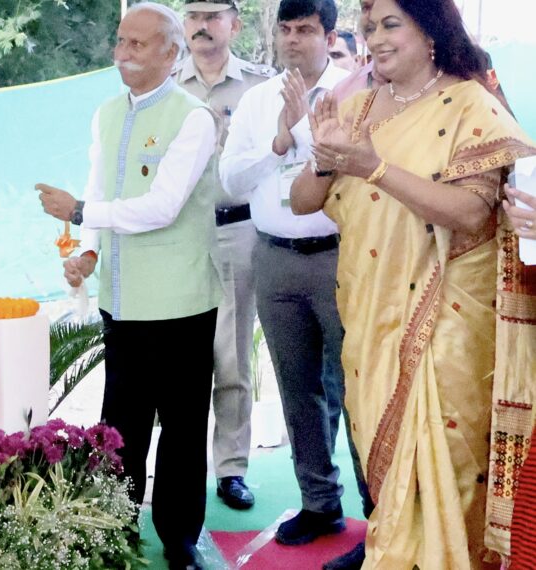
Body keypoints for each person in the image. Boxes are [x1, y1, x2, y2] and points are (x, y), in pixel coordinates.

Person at [289, 0, 536, 565]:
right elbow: (303, 201)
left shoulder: (472, 104)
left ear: (431, 32)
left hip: (446, 322)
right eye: (369, 27)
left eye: (390, 24)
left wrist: (374, 167)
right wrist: (327, 157)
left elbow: (473, 213)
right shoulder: (357, 106)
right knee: (390, 479)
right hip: (370, 316)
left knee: (443, 469)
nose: (374, 38)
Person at [36, 3, 220, 567]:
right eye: (120, 41)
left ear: (172, 53)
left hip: (182, 300)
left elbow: (162, 207)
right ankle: (114, 523)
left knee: (184, 426)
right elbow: (98, 185)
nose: (122, 53)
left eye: (138, 44)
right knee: (122, 425)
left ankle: (180, 536)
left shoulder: (195, 117)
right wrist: (87, 252)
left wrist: (81, 210)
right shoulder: (107, 113)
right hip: (123, 300)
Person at [218, 0, 356, 548]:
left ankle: (380, 509)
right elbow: (230, 179)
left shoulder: (358, 92)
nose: (293, 40)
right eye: (286, 29)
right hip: (273, 256)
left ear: (329, 34)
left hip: (342, 257)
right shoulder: (256, 100)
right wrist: (278, 139)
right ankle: (320, 503)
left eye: (306, 30)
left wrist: (306, 135)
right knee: (297, 389)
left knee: (356, 387)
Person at [175, 0, 273, 512]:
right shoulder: (165, 83)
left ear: (234, 25)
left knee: (232, 354)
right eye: (192, 14)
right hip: (175, 237)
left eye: (213, 14)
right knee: (178, 356)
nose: (201, 25)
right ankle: (175, 468)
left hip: (237, 230)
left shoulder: (261, 86)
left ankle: (231, 468)